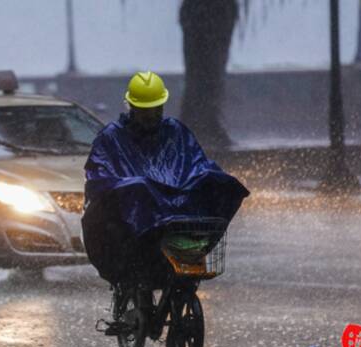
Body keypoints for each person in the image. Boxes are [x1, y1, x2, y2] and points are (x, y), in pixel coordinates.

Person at [82, 71, 249, 331]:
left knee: (215, 182)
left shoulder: (175, 131)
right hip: (129, 228)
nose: (152, 116)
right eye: (146, 110)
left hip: (175, 217)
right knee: (138, 191)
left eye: (156, 109)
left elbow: (196, 164)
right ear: (132, 107)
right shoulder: (112, 137)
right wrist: (133, 191)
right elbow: (102, 178)